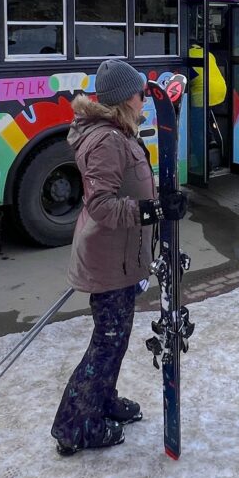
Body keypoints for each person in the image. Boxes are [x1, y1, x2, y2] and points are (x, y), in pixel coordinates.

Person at [52, 59, 186, 456]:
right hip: (108, 260)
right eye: (142, 93)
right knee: (107, 342)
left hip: (120, 258)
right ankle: (73, 425)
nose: (146, 99)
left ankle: (101, 400)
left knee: (116, 338)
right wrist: (154, 211)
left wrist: (158, 202)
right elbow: (103, 206)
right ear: (128, 97)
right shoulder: (107, 140)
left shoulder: (116, 132)